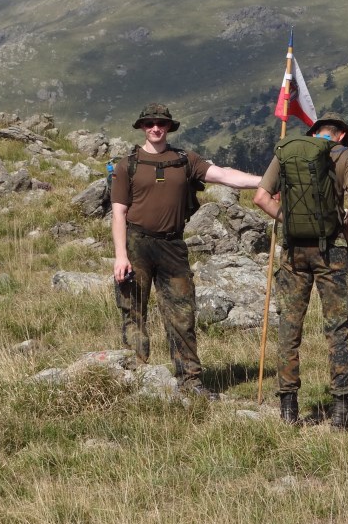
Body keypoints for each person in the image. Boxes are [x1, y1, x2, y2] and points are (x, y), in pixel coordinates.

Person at [110, 103, 261, 400]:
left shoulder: (185, 160)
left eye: (161, 124)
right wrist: (120, 256)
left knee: (182, 315)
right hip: (135, 243)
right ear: (142, 126)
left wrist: (264, 181)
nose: (156, 128)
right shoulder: (127, 164)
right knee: (133, 312)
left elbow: (225, 176)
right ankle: (136, 377)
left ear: (169, 127)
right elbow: (118, 214)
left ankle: (190, 382)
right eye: (150, 123)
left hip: (173, 246)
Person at [254, 112, 348, 431]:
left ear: (314, 132)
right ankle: (342, 410)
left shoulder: (287, 151)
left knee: (290, 325)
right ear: (341, 135)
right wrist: (344, 227)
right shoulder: (344, 155)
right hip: (330, 248)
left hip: (293, 250)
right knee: (337, 326)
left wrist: (288, 221)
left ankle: (288, 410)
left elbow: (260, 197)